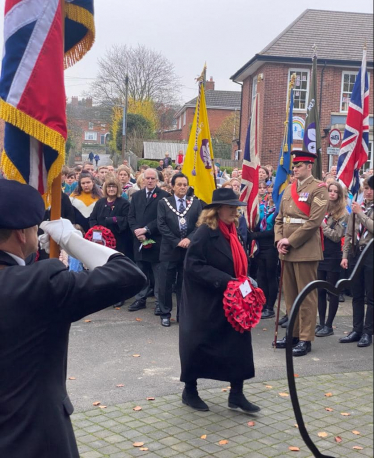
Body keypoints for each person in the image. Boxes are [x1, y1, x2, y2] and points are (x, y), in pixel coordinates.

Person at [0, 179, 146, 458]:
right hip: (32, 438)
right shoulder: (40, 282)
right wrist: (72, 240)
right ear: (21, 234)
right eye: (34, 226)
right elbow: (128, 275)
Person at [179, 188, 260, 413]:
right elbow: (193, 265)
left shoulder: (233, 231)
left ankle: (237, 394)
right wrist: (226, 281)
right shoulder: (205, 233)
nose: (236, 211)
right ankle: (190, 391)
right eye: (231, 207)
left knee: (239, 345)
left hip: (233, 301)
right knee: (198, 345)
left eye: (236, 207)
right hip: (206, 301)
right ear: (217, 210)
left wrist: (245, 283)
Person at [273, 151, 328, 356]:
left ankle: (305, 338)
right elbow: (280, 218)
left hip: (305, 249)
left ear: (309, 166)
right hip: (286, 249)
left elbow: (314, 222)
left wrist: (291, 240)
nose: (295, 169)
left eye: (299, 165)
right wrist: (279, 240)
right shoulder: (289, 189)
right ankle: (293, 335)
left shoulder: (318, 189)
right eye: (294, 166)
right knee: (291, 295)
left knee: (306, 296)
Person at [157, 173, 202, 327]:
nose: (182, 187)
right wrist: (177, 241)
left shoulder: (195, 204)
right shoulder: (164, 203)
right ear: (173, 186)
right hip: (169, 249)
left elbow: (200, 223)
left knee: (184, 283)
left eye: (185, 184)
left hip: (188, 249)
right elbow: (161, 225)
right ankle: (165, 313)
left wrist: (189, 238)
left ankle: (182, 314)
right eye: (179, 184)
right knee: (166, 283)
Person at [128, 169, 169, 312]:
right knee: (141, 271)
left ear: (157, 180)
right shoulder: (137, 196)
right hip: (139, 240)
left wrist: (146, 229)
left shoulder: (164, 196)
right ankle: (140, 299)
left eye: (153, 178)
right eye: (148, 178)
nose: (150, 180)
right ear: (143, 179)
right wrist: (137, 231)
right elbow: (131, 217)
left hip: (156, 240)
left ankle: (159, 302)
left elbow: (162, 219)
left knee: (158, 273)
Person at [339, 177, 373, 347]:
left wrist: (360, 212)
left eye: (371, 188)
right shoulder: (358, 207)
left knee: (371, 297)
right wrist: (345, 255)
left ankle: (368, 332)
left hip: (371, 255)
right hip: (355, 253)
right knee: (356, 294)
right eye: (366, 188)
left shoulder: (361, 210)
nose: (368, 191)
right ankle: (356, 330)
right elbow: (349, 234)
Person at [315, 181, 348, 337]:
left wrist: (322, 225)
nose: (332, 193)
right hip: (320, 253)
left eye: (335, 191)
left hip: (333, 255)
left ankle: (329, 325)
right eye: (330, 191)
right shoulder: (323, 209)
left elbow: (336, 236)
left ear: (339, 195)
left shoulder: (343, 214)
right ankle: (321, 322)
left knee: (332, 291)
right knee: (320, 289)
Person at [250, 181, 278, 319]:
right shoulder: (262, 207)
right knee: (261, 275)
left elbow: (275, 231)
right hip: (259, 246)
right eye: (269, 192)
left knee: (270, 275)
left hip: (271, 246)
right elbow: (255, 223)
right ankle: (262, 303)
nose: (271, 195)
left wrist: (255, 235)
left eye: (274, 192)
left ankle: (270, 307)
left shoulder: (279, 209)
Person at [89, 176, 132, 259]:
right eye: (109, 187)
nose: (111, 189)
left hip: (118, 241)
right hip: (100, 240)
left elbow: (127, 220)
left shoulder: (124, 203)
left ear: (118, 188)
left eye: (114, 187)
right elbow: (92, 218)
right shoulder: (100, 202)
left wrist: (114, 220)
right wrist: (96, 230)